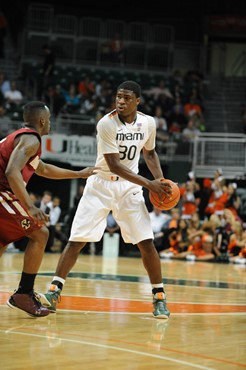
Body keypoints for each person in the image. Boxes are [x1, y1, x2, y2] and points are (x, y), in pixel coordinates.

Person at [39, 80, 172, 319]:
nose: (121, 101)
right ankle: (54, 291)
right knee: (76, 240)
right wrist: (148, 183)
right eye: (118, 97)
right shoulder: (106, 123)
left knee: (146, 242)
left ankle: (159, 297)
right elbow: (114, 165)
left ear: (137, 101)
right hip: (100, 184)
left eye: (127, 98)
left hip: (129, 188)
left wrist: (160, 181)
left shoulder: (148, 123)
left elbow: (149, 152)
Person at [0, 101, 98, 317]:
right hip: (2, 193)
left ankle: (23, 294)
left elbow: (43, 169)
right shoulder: (31, 139)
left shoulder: (22, 138)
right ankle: (23, 294)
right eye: (50, 119)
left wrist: (78, 174)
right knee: (40, 234)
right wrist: (30, 206)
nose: (51, 123)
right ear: (42, 120)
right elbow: (12, 172)